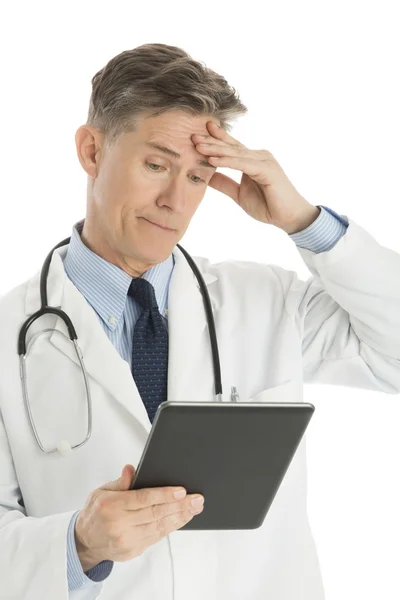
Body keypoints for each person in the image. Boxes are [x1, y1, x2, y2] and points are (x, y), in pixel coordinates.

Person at [0, 42, 399, 600]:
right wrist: (78, 544)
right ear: (92, 150)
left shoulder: (266, 302)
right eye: (157, 165)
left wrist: (305, 222)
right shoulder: (7, 338)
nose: (174, 202)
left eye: (197, 177)